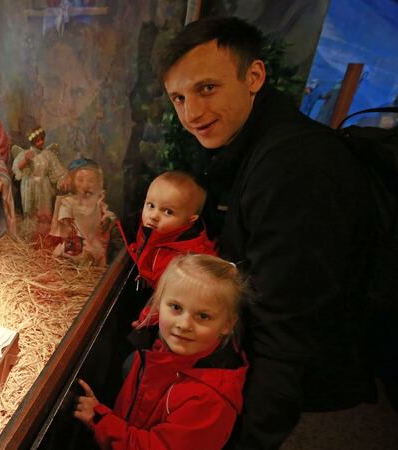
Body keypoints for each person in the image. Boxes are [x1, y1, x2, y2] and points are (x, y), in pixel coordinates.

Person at [159, 17, 375, 448]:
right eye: (178, 98)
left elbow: (286, 330)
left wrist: (248, 442)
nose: (191, 114)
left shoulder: (295, 170)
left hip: (315, 385)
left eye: (206, 88)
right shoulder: (253, 142)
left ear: (254, 76)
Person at [74, 254, 249, 449]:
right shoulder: (164, 346)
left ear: (227, 324)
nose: (184, 324)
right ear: (159, 304)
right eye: (176, 307)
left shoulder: (207, 401)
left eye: (203, 316)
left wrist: (101, 420)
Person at [128, 170, 216, 291]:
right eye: (151, 205)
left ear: (190, 219)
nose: (153, 216)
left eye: (168, 211)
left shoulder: (184, 263)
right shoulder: (154, 228)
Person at [49, 156, 116, 265]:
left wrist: (107, 219)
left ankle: (87, 262)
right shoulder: (69, 201)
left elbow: (108, 213)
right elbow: (64, 212)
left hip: (92, 240)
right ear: (73, 181)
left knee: (95, 253)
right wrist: (67, 223)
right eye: (80, 180)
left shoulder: (97, 202)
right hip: (75, 239)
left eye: (91, 180)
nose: (85, 185)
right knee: (65, 252)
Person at [11, 126, 68, 235]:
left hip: (44, 186)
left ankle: (43, 234)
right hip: (29, 185)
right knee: (30, 210)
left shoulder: (48, 155)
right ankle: (30, 233)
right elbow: (17, 169)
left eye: (42, 139)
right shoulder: (24, 154)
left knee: (44, 210)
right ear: (32, 141)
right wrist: (26, 160)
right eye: (37, 140)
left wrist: (63, 179)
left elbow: (58, 170)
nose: (40, 142)